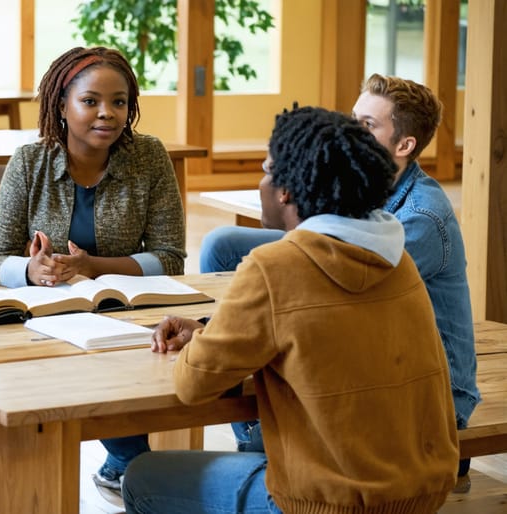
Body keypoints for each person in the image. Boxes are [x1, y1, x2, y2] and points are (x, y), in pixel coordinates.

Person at [123, 105, 459, 514]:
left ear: (286, 190)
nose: (261, 181)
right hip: (422, 492)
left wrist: (206, 343)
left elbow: (194, 384)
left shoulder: (276, 267)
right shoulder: (395, 257)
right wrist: (213, 330)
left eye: (267, 170)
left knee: (143, 477)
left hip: (327, 502)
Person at [200, 74, 479, 484]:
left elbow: (330, 295)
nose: (351, 132)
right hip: (368, 353)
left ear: (404, 146)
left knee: (275, 316)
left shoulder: (422, 218)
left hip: (425, 393)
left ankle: (262, 447)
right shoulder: (362, 182)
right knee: (224, 243)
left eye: (367, 126)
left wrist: (226, 328)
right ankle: (259, 430)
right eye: (353, 119)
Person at [0, 46, 186, 494]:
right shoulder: (29, 162)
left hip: (131, 312)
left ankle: (129, 464)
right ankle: (130, 464)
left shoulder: (149, 157)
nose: (107, 114)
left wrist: (92, 267)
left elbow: (170, 256)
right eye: (90, 101)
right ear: (62, 105)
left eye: (119, 102)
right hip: (47, 317)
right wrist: (32, 271)